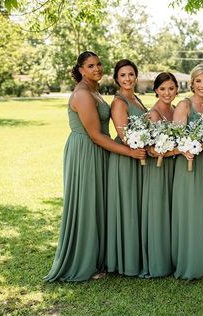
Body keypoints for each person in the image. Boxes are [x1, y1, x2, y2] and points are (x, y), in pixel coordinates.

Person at [44, 52, 146, 282]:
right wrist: (130, 151)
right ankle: (82, 262)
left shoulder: (94, 91)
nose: (97, 69)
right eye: (91, 66)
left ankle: (98, 257)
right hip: (86, 151)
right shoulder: (82, 94)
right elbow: (95, 135)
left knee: (99, 204)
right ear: (81, 69)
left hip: (100, 151)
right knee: (87, 205)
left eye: (99, 64)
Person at [171, 64, 203, 280]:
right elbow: (179, 140)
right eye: (198, 81)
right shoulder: (184, 105)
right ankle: (191, 262)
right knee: (191, 211)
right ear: (192, 83)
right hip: (190, 166)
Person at [106, 59, 149, 276]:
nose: (127, 79)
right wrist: (141, 147)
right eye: (123, 75)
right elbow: (124, 136)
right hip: (126, 159)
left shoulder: (136, 98)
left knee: (137, 206)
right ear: (116, 79)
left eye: (131, 74)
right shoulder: (119, 102)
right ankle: (126, 260)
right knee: (127, 207)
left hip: (138, 158)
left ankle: (137, 254)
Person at [139, 72, 178, 278]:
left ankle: (172, 257)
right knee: (159, 212)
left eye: (171, 88)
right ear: (156, 91)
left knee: (172, 211)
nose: (167, 93)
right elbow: (153, 150)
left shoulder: (176, 110)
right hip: (158, 169)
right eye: (162, 89)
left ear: (176, 90)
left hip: (174, 168)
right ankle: (158, 261)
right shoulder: (154, 114)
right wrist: (180, 150)